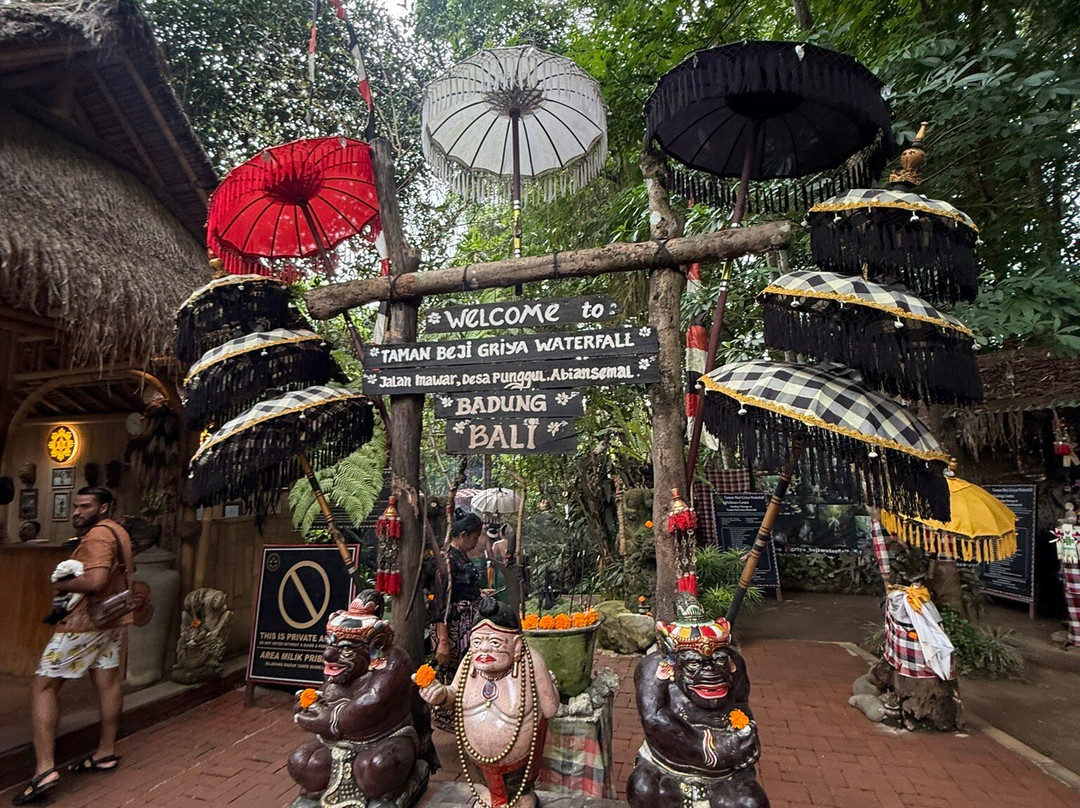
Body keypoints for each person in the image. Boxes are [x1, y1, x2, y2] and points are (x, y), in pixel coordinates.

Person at [16, 487, 133, 805]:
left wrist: (60, 583)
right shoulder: (118, 530)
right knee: (108, 682)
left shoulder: (97, 535)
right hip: (111, 620)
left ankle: (44, 769)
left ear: (104, 507)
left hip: (82, 625)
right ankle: (105, 753)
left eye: (85, 506)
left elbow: (94, 582)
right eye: (75, 506)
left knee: (43, 686)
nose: (77, 512)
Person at [432, 512, 486, 684]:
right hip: (451, 630)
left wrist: (477, 594)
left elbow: (462, 588)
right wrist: (443, 641)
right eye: (475, 538)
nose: (476, 542)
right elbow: (441, 603)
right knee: (452, 675)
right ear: (464, 536)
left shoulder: (461, 556)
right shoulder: (447, 560)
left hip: (466, 625)